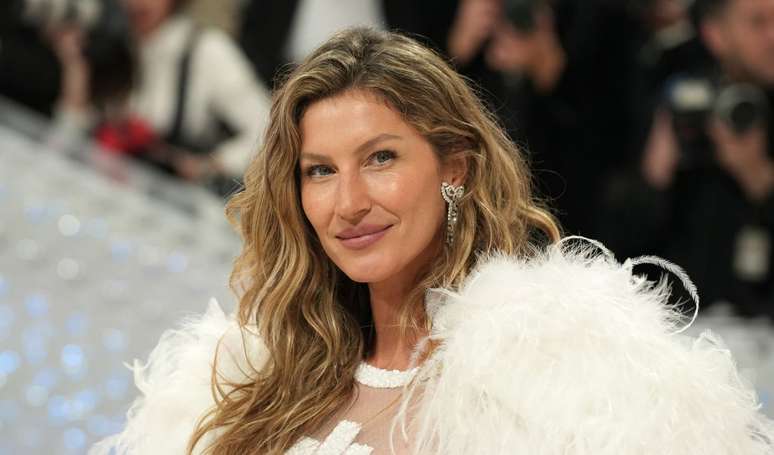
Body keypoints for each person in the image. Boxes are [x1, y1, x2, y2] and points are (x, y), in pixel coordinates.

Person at [91, 28, 773, 454]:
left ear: (456, 167)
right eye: (320, 171)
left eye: (380, 158)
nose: (348, 203)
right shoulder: (251, 375)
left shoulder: (560, 375)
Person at [52, 0, 270, 193]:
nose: (137, 3)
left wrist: (211, 166)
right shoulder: (112, 44)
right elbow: (66, 143)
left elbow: (270, 131)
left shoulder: (205, 50)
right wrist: (75, 69)